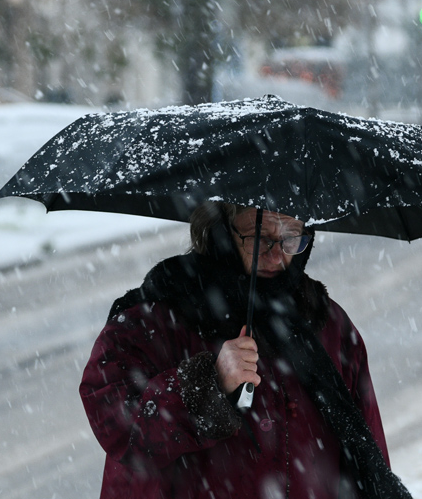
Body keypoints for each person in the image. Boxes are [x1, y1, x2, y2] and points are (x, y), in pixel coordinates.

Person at [79, 202, 401, 499]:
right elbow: (119, 424)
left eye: (291, 238)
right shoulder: (154, 318)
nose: (277, 256)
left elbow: (368, 455)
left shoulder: (326, 324)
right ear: (220, 230)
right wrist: (208, 384)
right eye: (260, 238)